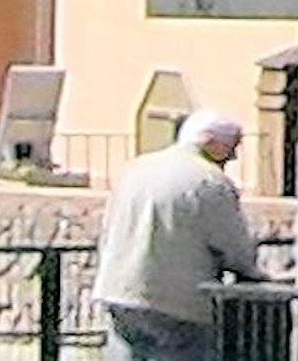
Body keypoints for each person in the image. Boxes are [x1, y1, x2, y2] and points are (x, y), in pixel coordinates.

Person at [94, 112, 270, 361]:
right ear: (212, 142)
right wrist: (255, 274)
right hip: (177, 299)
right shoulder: (210, 181)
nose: (233, 156)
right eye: (232, 146)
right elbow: (233, 246)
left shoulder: (135, 168)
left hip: (118, 289)